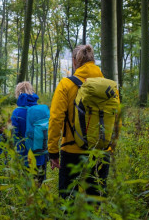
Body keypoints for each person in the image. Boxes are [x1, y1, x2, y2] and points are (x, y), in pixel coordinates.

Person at [48, 44, 119, 199]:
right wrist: (110, 148)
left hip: (72, 152)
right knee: (95, 199)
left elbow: (55, 119)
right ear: (93, 61)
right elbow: (115, 119)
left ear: (75, 62)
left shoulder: (66, 85)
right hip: (101, 151)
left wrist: (53, 151)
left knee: (68, 200)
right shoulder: (110, 87)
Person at [11, 82, 47, 184]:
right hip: (41, 155)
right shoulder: (41, 110)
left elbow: (15, 137)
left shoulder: (17, 112)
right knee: (39, 187)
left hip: (24, 158)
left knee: (26, 190)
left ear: (18, 93)